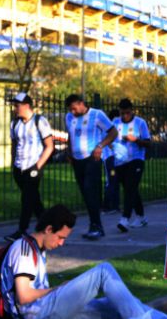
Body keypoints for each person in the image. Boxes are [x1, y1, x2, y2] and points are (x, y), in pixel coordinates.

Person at [0, 204, 167, 319]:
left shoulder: (37, 249)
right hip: (39, 314)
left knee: (117, 303)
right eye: (60, 237)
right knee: (103, 271)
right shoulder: (24, 249)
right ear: (48, 229)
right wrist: (58, 289)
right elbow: (24, 296)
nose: (62, 243)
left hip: (46, 309)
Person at [64, 94, 119, 240]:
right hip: (77, 160)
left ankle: (97, 226)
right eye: (70, 110)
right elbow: (70, 134)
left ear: (81, 103)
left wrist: (100, 146)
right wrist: (68, 151)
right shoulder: (69, 117)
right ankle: (94, 224)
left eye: (74, 109)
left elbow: (113, 132)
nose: (73, 112)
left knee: (90, 191)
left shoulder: (97, 114)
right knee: (85, 193)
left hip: (92, 158)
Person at [5, 93, 54, 243]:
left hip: (33, 167)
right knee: (34, 199)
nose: (15, 109)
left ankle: (22, 230)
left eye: (17, 106)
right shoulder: (15, 124)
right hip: (19, 167)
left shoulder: (40, 121)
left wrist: (38, 166)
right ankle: (49, 226)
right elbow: (14, 144)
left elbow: (49, 146)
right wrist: (13, 163)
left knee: (27, 198)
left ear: (26, 106)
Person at [112, 98, 152, 232]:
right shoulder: (115, 122)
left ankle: (125, 219)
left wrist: (135, 140)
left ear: (131, 111)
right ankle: (141, 217)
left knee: (130, 188)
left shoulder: (140, 123)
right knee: (131, 189)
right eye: (122, 113)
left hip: (136, 159)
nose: (124, 116)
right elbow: (110, 137)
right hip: (120, 161)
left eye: (127, 113)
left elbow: (148, 142)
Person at [101, 109, 121, 216]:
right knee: (111, 181)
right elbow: (108, 141)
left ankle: (114, 205)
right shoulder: (111, 126)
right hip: (110, 157)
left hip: (112, 158)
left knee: (113, 180)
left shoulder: (111, 126)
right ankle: (108, 206)